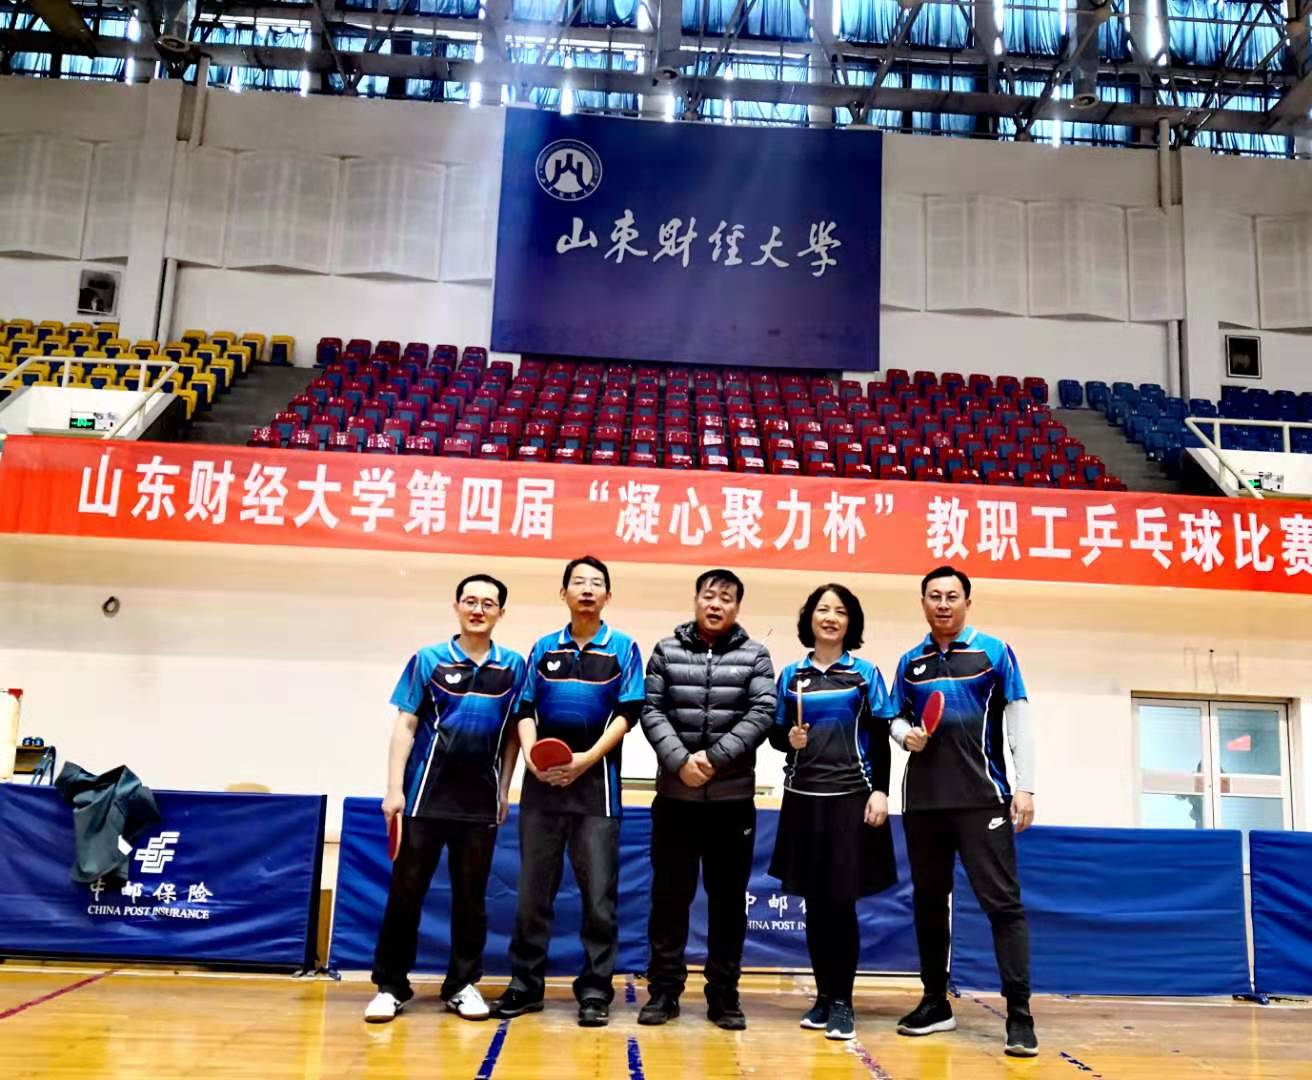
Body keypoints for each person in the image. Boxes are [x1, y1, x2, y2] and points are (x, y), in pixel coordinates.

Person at [489, 556, 645, 1028]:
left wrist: (585, 760)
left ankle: (595, 990)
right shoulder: (543, 648)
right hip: (543, 789)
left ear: (608, 596)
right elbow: (525, 709)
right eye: (578, 582)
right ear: (564, 594)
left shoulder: (623, 648)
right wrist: (534, 756)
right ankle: (525, 985)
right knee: (533, 893)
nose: (587, 589)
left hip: (597, 789)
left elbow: (628, 713)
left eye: (596, 583)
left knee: (598, 897)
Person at [364, 573, 527, 1024]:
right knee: (406, 893)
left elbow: (513, 735)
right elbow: (405, 726)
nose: (478, 609)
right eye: (470, 601)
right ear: (457, 606)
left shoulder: (514, 666)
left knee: (471, 897)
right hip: (424, 796)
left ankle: (461, 984)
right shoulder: (428, 659)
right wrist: (394, 789)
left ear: (500, 613)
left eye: (488, 603)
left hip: (479, 801)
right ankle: (391, 986)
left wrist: (504, 788)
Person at [890, 565, 1038, 1058]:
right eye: (934, 596)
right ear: (923, 603)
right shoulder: (910, 662)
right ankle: (935, 1003)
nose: (943, 604)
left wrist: (1026, 786)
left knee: (1003, 906)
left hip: (983, 799)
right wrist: (904, 735)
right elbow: (895, 716)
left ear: (967, 603)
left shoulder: (994, 652)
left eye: (952, 596)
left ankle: (1019, 1015)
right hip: (924, 803)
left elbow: (1018, 715)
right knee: (930, 904)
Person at [638, 569, 776, 1031]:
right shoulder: (666, 650)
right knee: (669, 899)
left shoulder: (755, 655)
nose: (716, 604)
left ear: (737, 607)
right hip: (675, 798)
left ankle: (724, 995)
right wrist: (680, 761)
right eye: (709, 596)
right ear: (696, 600)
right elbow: (651, 709)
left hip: (731, 802)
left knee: (728, 902)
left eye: (726, 598)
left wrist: (714, 759)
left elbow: (762, 712)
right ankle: (664, 992)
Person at [768, 583, 898, 1042]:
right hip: (803, 799)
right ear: (810, 619)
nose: (830, 617)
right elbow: (776, 735)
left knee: (841, 904)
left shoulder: (864, 674)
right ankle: (823, 997)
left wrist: (880, 791)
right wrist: (790, 739)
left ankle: (843, 1002)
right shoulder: (791, 675)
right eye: (823, 609)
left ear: (850, 622)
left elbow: (879, 737)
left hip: (850, 798)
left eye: (840, 611)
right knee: (816, 906)